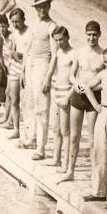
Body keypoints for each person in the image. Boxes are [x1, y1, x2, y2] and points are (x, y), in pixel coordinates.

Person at [60, 21, 105, 183]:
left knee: (92, 139)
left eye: (94, 35)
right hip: (78, 96)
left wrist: (91, 88)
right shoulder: (79, 53)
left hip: (93, 97)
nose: (92, 38)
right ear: (85, 35)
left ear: (99, 35)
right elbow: (72, 75)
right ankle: (70, 170)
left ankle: (94, 174)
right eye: (89, 35)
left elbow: (104, 80)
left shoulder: (102, 55)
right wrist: (77, 84)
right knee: (74, 137)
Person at [81, 47, 107, 203]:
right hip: (103, 112)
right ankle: (99, 191)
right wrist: (96, 105)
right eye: (105, 62)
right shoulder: (103, 74)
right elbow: (86, 87)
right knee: (99, 151)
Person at [22, 0, 57, 157]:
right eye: (39, 6)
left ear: (49, 6)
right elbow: (27, 47)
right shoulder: (33, 23)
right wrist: (23, 69)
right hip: (30, 63)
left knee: (41, 106)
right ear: (35, 8)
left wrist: (48, 77)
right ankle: (31, 137)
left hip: (43, 64)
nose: (42, 9)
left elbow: (54, 54)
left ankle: (41, 148)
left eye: (44, 5)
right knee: (28, 103)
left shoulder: (52, 26)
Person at [45, 26, 75, 170]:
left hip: (66, 93)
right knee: (55, 129)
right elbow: (52, 69)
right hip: (56, 91)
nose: (59, 43)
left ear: (68, 37)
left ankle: (65, 163)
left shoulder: (73, 54)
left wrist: (68, 96)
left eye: (61, 39)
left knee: (65, 131)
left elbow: (76, 79)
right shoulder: (58, 52)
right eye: (56, 40)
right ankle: (56, 158)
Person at [4, 8, 31, 142]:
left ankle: (27, 131)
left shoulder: (29, 33)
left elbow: (31, 52)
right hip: (14, 69)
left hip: (26, 70)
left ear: (23, 20)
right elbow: (11, 51)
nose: (15, 24)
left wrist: (21, 55)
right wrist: (12, 55)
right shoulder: (14, 35)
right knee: (14, 99)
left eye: (18, 21)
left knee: (25, 102)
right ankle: (16, 128)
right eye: (13, 22)